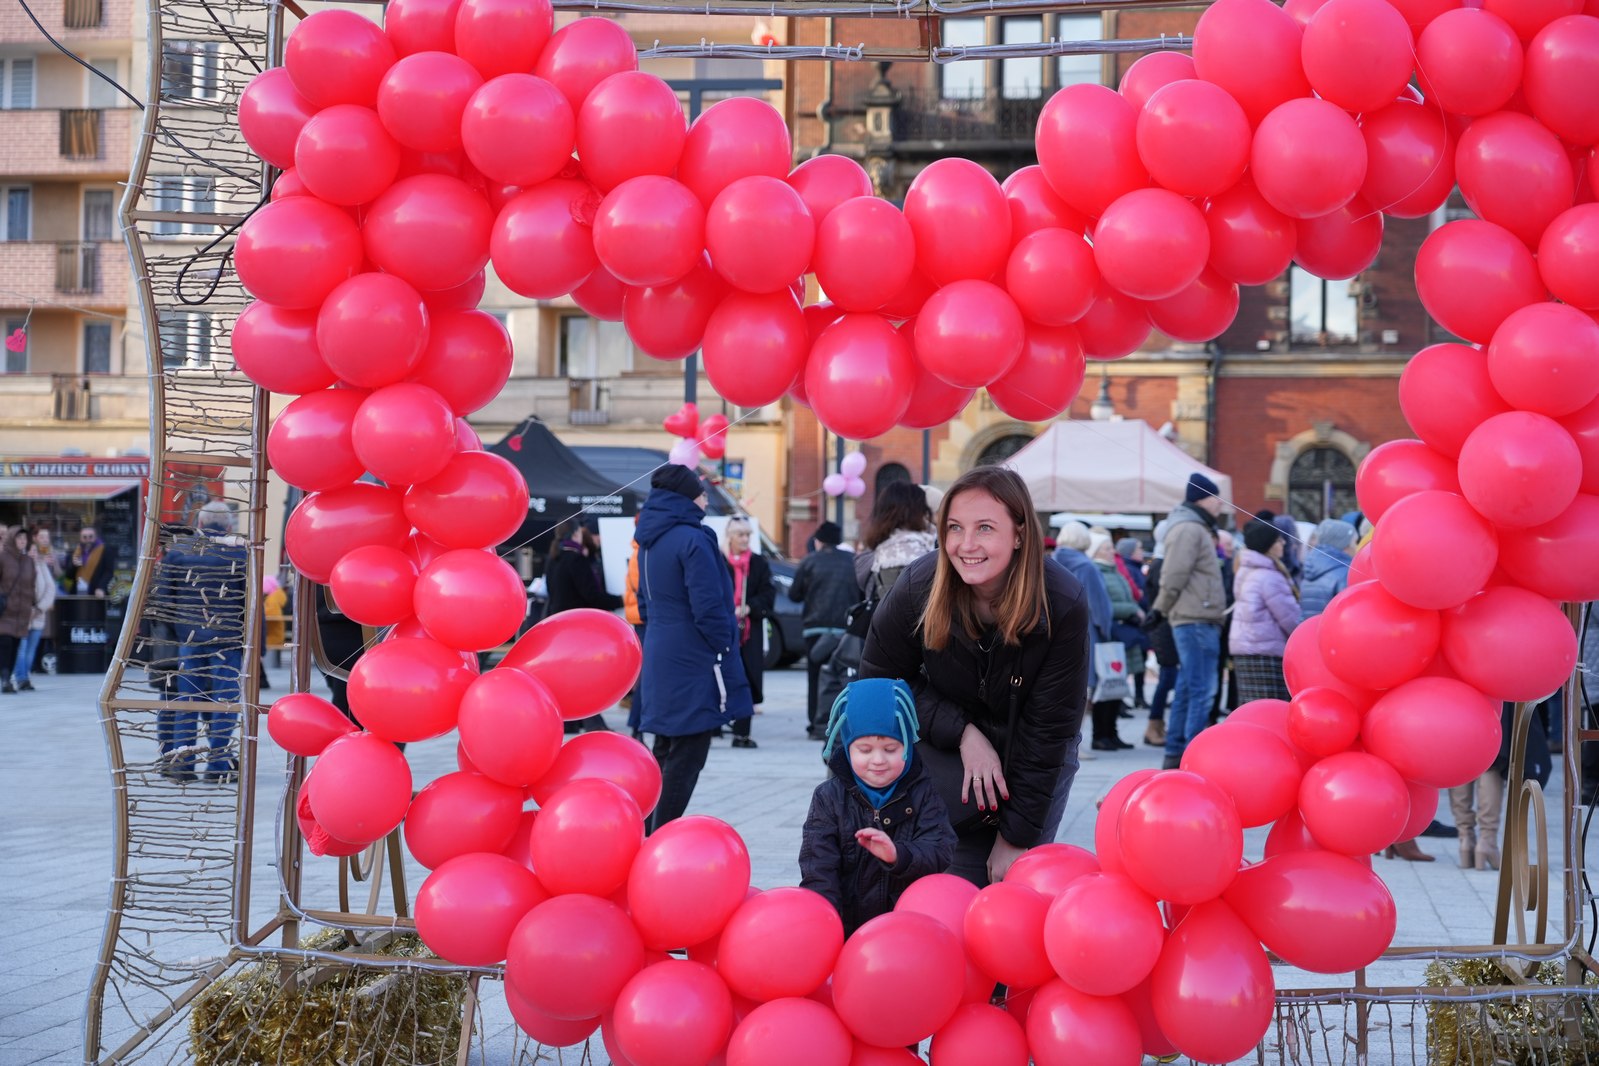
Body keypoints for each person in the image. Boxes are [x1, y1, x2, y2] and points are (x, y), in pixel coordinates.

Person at [861, 465, 1091, 886]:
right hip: (948, 760)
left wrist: (1015, 834)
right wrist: (963, 732)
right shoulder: (921, 585)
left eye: (985, 528)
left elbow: (1050, 732)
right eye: (954, 528)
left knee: (1011, 883)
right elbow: (876, 685)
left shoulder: (1061, 602)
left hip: (1033, 756)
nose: (966, 545)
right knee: (946, 884)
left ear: (1020, 533)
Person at [634, 463, 753, 832]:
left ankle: (645, 828)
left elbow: (643, 601)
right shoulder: (693, 538)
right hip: (690, 653)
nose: (704, 498)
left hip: (659, 647)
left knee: (666, 746)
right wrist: (724, 642)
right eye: (700, 492)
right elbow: (708, 604)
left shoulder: (648, 540)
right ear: (685, 498)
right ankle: (658, 835)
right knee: (689, 749)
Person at [799, 677, 956, 935]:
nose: (878, 760)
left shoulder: (924, 793)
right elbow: (818, 871)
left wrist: (899, 855)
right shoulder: (828, 798)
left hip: (906, 933)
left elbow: (940, 850)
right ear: (848, 749)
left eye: (891, 748)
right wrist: (824, 926)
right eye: (864, 749)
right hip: (847, 931)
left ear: (908, 746)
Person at [818, 481, 938, 718]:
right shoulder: (918, 551)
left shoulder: (876, 553)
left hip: (877, 640)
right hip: (918, 646)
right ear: (917, 510)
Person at [161, 502, 248, 782]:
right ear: (228, 526)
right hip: (228, 640)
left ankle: (183, 764)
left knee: (187, 701)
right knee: (224, 704)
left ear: (199, 523)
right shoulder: (240, 554)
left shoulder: (178, 552)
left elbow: (164, 598)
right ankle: (218, 766)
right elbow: (249, 602)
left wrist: (177, 631)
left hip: (189, 638)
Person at [1152, 472, 1228, 769]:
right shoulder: (1189, 529)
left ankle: (1176, 755)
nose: (1220, 505)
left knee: (1188, 688)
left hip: (1196, 618)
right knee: (1201, 691)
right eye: (1216, 498)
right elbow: (1174, 574)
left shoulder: (1194, 526)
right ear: (1202, 499)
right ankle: (1191, 759)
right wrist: (1160, 608)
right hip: (1195, 619)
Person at [544, 518, 624, 734]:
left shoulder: (553, 558)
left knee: (566, 676)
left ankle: (571, 721)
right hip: (578, 627)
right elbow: (591, 595)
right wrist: (620, 600)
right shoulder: (576, 560)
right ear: (577, 534)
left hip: (557, 625)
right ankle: (592, 721)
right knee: (583, 676)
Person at [789, 520, 861, 740]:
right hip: (845, 631)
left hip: (815, 629)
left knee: (815, 678)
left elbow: (794, 594)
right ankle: (843, 722)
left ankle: (816, 725)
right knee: (844, 678)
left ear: (818, 541)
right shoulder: (853, 562)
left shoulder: (809, 561)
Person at [1051, 523, 1115, 755]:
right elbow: (1100, 607)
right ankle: (1074, 744)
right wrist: (1106, 632)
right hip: (1084, 633)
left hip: (1054, 632)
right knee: (1082, 691)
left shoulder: (1051, 561)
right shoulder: (1086, 566)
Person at [1229, 521, 1300, 704]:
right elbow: (1290, 619)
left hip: (1246, 649)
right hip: (1266, 652)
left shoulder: (1246, 570)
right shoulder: (1269, 577)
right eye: (1278, 540)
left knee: (1252, 711)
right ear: (1267, 546)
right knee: (1271, 711)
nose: (1283, 543)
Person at [722, 516, 773, 750]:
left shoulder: (758, 563)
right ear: (730, 537)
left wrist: (750, 606)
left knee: (748, 677)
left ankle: (741, 732)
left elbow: (768, 594)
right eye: (740, 535)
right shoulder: (720, 560)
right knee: (719, 677)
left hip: (749, 630)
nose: (745, 539)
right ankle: (715, 724)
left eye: (747, 535)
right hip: (722, 625)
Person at [1090, 532, 1144, 751]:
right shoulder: (1097, 572)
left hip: (1121, 637)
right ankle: (1100, 735)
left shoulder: (1114, 571)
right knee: (1105, 688)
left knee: (1117, 687)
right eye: (1106, 548)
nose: (1111, 551)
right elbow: (1104, 606)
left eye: (1111, 547)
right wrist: (1132, 609)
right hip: (1109, 637)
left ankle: (1112, 733)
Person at [13, 533, 57, 691]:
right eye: (30, 550)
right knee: (21, 648)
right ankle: (21, 678)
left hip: (38, 615)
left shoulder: (41, 565)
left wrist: (39, 608)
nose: (32, 553)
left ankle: (25, 677)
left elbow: (51, 589)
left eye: (34, 550)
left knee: (31, 649)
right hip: (22, 614)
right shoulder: (18, 564)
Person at [0, 527, 39, 694]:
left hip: (22, 612)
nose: (23, 540)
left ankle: (8, 678)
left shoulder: (28, 561)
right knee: (6, 644)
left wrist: (34, 604)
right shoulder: (2, 558)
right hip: (5, 610)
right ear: (11, 539)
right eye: (19, 537)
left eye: (25, 538)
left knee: (16, 645)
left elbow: (32, 585)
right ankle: (5, 679)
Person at [1299, 518, 1358, 620]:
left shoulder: (1310, 568)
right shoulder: (1344, 573)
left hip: (1310, 632)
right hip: (1335, 633)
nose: (1356, 547)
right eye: (1354, 542)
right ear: (1343, 545)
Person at [70, 526, 113, 597]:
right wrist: (74, 565)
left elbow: (108, 572)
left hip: (97, 592)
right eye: (84, 537)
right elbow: (69, 576)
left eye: (90, 537)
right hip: (78, 593)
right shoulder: (76, 551)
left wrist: (101, 587)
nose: (88, 540)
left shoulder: (105, 550)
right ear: (80, 539)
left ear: (95, 537)